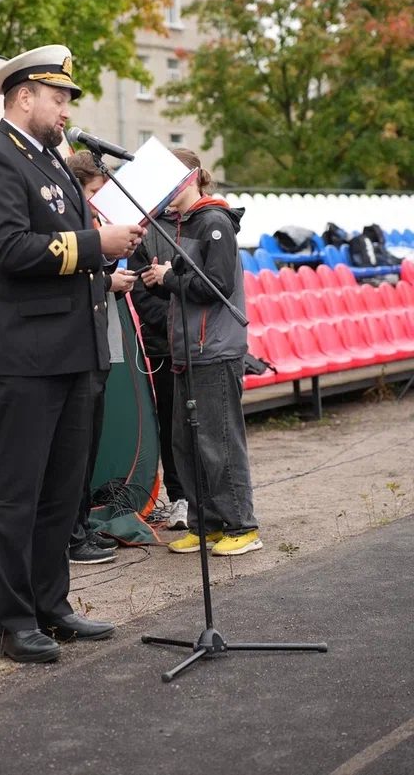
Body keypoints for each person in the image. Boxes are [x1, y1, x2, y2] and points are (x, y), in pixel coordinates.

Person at [0, 44, 145, 664]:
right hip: (24, 358)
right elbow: (9, 249)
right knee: (16, 495)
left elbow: (67, 247)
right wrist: (96, 244)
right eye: (58, 97)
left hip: (72, 353)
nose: (66, 109)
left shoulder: (51, 162)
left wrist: (110, 245)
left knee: (61, 494)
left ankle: (52, 606)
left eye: (68, 99)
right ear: (23, 97)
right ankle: (15, 625)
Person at [141, 148, 262, 557]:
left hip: (214, 349)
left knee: (220, 443)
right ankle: (205, 523)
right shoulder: (184, 224)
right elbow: (190, 286)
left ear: (190, 178)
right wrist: (165, 281)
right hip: (188, 350)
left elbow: (217, 287)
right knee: (188, 443)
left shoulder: (213, 222)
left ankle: (241, 525)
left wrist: (167, 278)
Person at [64, 149, 136, 565]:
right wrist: (108, 281)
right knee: (74, 447)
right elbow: (71, 281)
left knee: (88, 445)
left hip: (95, 344)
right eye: (94, 191)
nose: (99, 200)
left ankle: (79, 525)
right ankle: (72, 534)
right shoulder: (69, 226)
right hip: (76, 346)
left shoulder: (90, 224)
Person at [128, 206, 189, 530]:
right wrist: (181, 321)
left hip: (203, 343)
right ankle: (180, 497)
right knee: (171, 422)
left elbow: (211, 284)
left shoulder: (203, 222)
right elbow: (141, 296)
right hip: (164, 346)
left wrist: (168, 278)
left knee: (205, 423)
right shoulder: (145, 230)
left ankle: (211, 496)